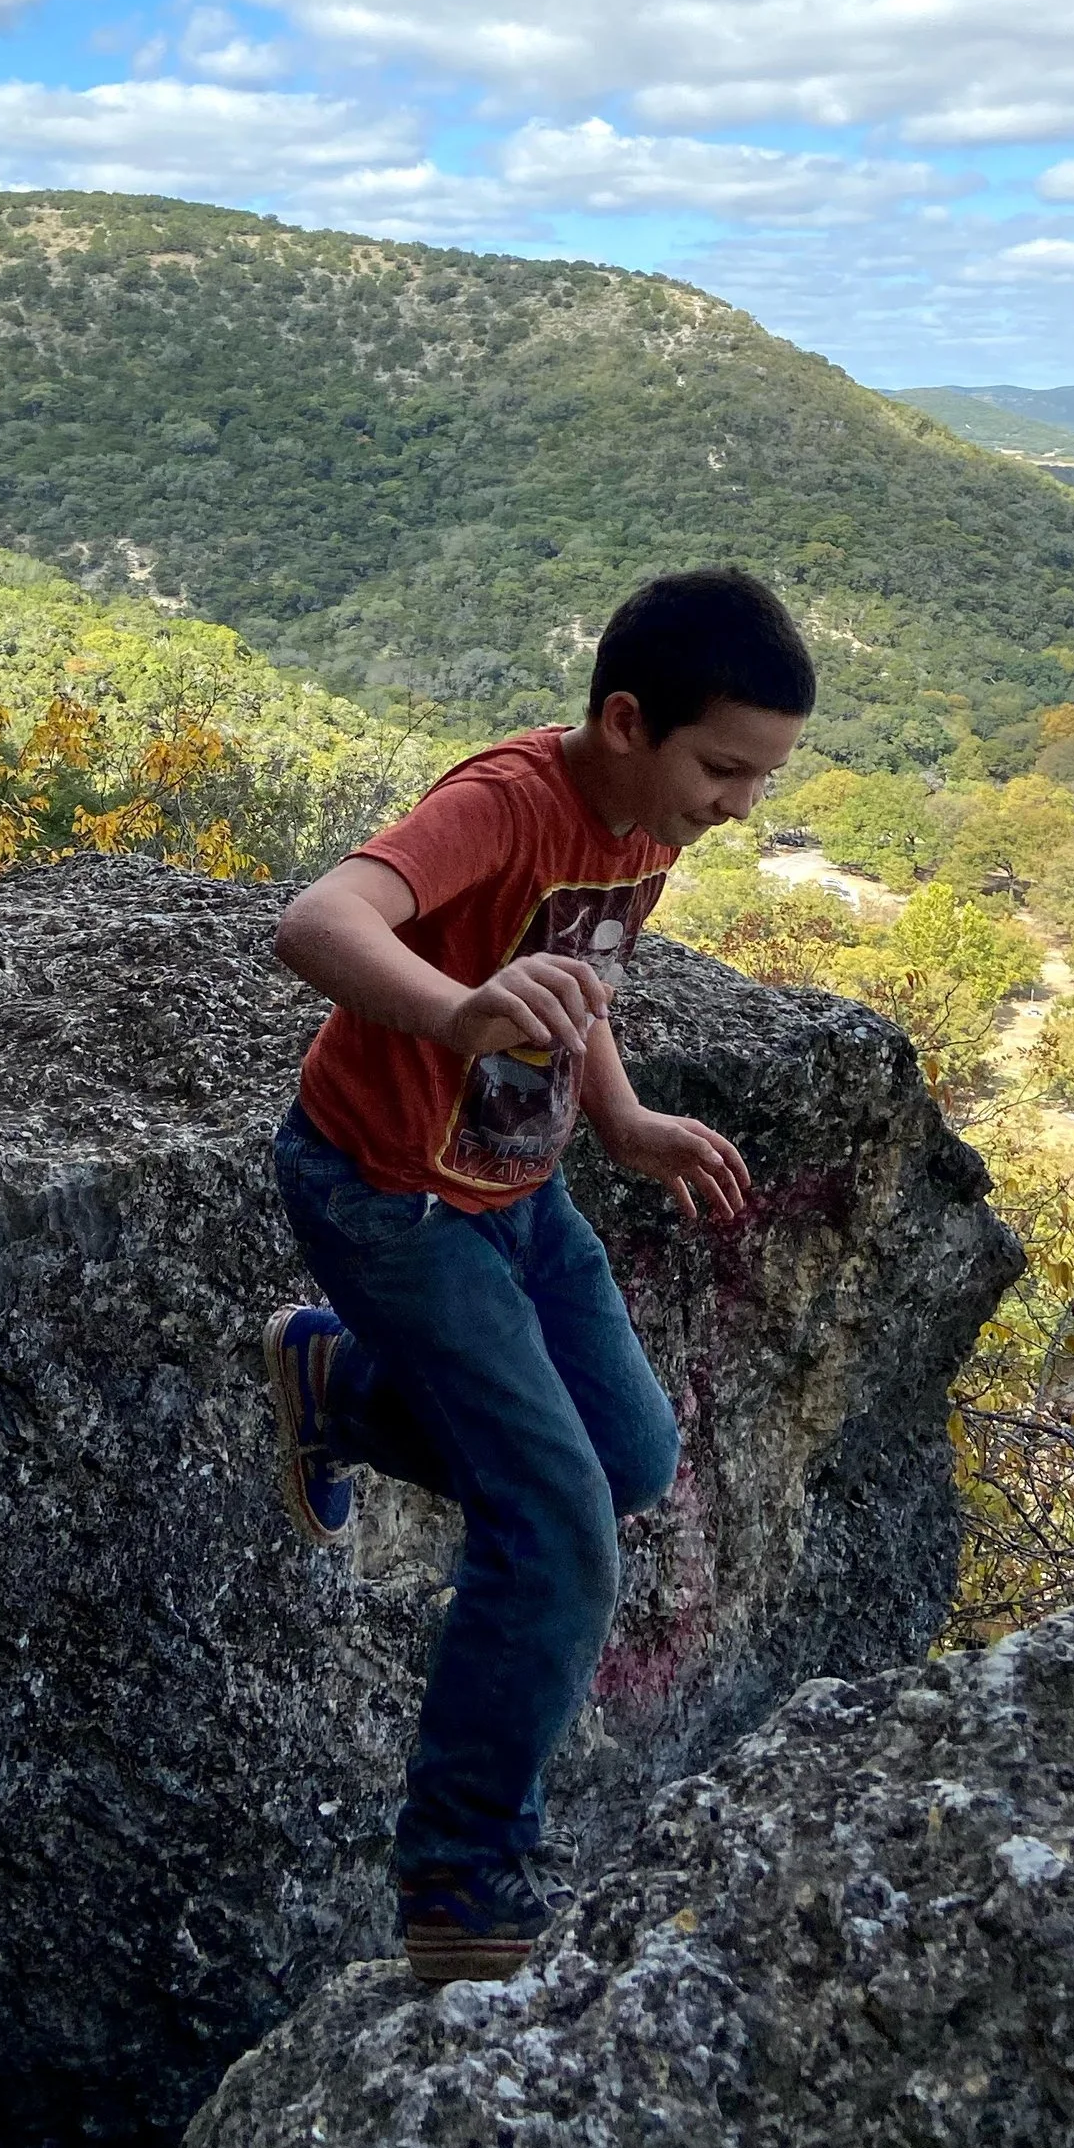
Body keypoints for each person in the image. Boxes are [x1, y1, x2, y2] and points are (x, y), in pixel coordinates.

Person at [264, 567, 815, 1987]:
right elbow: (318, 921)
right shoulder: (509, 800)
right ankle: (462, 1881)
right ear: (626, 719)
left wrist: (618, 1116)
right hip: (389, 1192)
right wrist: (457, 1011)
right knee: (557, 1518)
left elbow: (579, 971)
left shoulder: (641, 817)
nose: (736, 805)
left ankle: (339, 1383)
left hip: (523, 1190)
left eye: (758, 777)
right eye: (722, 768)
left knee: (627, 1459)